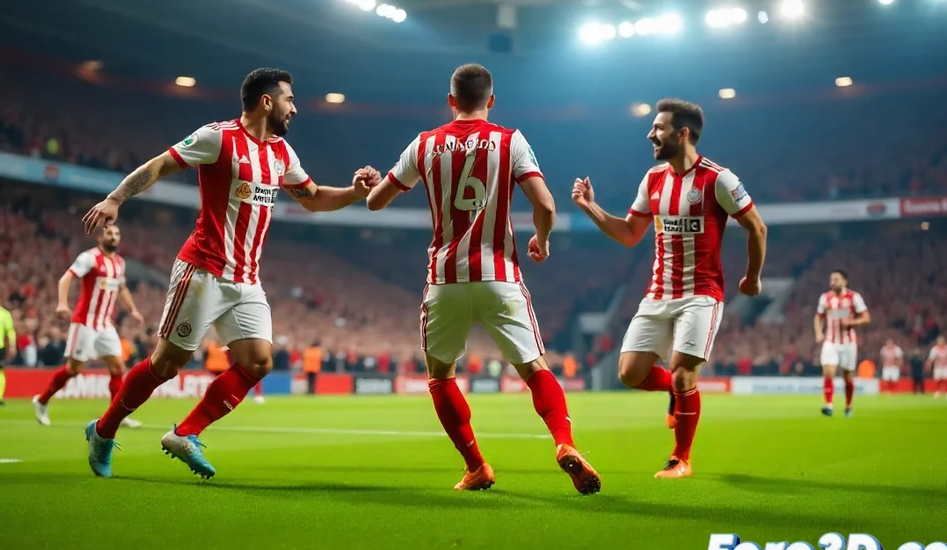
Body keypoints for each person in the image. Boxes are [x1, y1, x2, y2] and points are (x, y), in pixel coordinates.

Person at [80, 68, 380, 478]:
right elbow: (161, 164)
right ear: (267, 101)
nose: (295, 109)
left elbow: (311, 198)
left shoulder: (281, 153)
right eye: (290, 100)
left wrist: (354, 193)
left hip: (246, 279)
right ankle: (103, 429)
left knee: (258, 363)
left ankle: (186, 432)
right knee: (167, 365)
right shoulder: (218, 137)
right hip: (203, 270)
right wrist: (116, 199)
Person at [366, 63, 600, 494]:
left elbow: (376, 203)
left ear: (451, 101)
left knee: (441, 376)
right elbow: (545, 205)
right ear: (491, 101)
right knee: (534, 369)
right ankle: (564, 444)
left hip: (445, 280)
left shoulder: (423, 144)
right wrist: (542, 241)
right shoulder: (510, 141)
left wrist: (376, 184)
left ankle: (476, 466)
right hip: (499, 276)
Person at [571, 98, 767, 480]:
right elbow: (630, 234)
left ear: (683, 133)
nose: (650, 135)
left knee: (682, 373)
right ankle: (675, 393)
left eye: (658, 128)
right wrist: (590, 208)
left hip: (701, 294)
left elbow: (757, 227)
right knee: (629, 373)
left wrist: (753, 276)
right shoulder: (653, 179)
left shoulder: (719, 179)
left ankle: (681, 458)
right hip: (658, 293)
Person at [32, 224, 145, 427]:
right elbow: (66, 278)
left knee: (118, 366)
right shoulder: (89, 258)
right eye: (109, 233)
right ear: (100, 237)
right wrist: (62, 303)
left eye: (117, 233)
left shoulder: (119, 262)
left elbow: (122, 288)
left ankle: (116, 415)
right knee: (75, 369)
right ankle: (42, 400)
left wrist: (133, 310)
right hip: (85, 323)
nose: (114, 236)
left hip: (105, 324)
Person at [814, 270, 870, 417]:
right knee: (828, 373)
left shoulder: (854, 297)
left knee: (848, 377)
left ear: (845, 281)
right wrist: (819, 333)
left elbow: (866, 317)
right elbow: (818, 317)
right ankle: (828, 405)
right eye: (831, 279)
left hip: (848, 343)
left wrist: (852, 322)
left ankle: (848, 406)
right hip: (830, 341)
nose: (833, 282)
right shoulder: (825, 298)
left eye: (836, 279)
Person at [926, 335, 947, 400]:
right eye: (939, 341)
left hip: (946, 366)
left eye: (942, 341)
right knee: (938, 380)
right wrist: (928, 364)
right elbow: (931, 358)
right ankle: (938, 391)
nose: (941, 342)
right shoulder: (934, 349)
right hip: (938, 366)